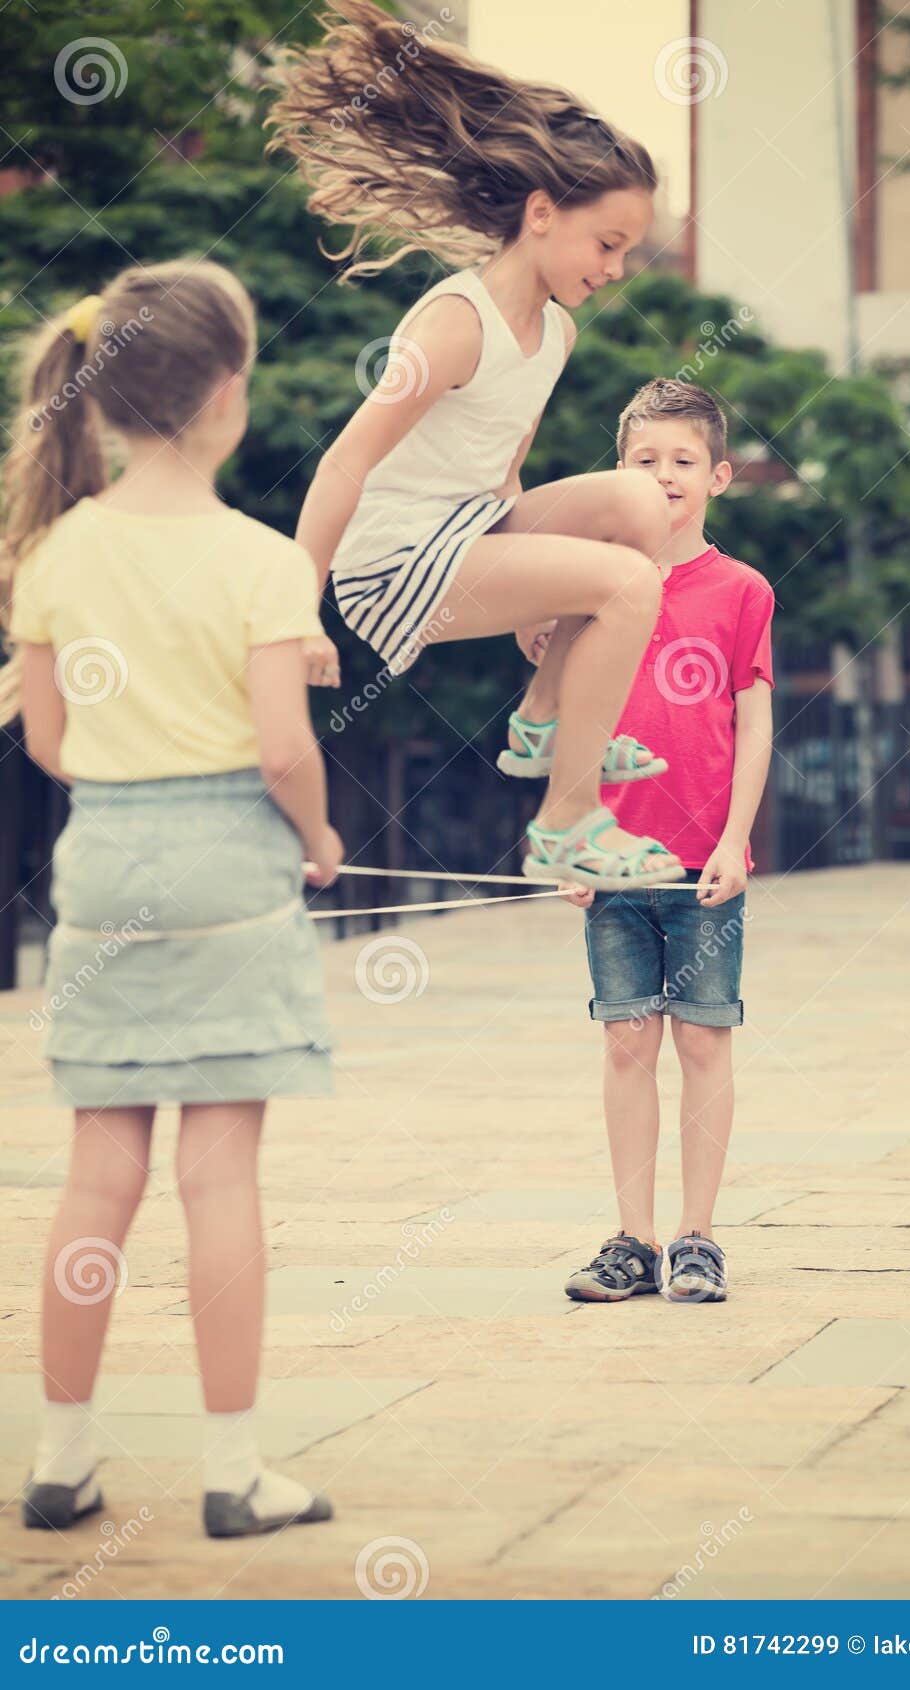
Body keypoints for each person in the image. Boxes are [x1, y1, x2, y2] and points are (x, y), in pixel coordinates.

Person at [2, 260, 342, 1537]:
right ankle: (232, 1468)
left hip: (103, 868)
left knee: (98, 1175)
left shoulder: (55, 552)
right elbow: (282, 747)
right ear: (222, 396)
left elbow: (47, 740)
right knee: (219, 1175)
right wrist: (318, 835)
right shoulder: (259, 559)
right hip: (229, 867)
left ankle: (63, 1456)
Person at [265, 0, 685, 892]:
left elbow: (504, 469)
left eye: (626, 253)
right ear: (541, 211)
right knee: (629, 582)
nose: (614, 270)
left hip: (475, 527)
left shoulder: (556, 333)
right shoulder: (458, 322)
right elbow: (347, 459)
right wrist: (298, 610)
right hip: (393, 565)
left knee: (642, 500)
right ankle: (568, 824)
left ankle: (541, 721)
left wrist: (543, 585)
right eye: (607, 243)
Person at [520, 379, 775, 1304]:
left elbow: (753, 720)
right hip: (613, 858)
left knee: (705, 1043)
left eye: (681, 461)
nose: (663, 478)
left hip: (703, 862)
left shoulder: (743, 591)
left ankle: (698, 1237)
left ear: (719, 474)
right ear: (615, 472)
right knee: (627, 1042)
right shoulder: (589, 585)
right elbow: (554, 714)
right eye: (643, 461)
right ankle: (632, 1239)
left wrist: (737, 840)